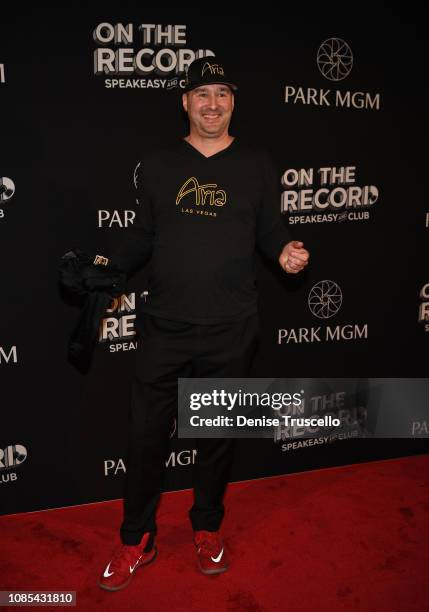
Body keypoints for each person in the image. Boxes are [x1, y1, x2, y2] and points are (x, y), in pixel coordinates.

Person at [98, 55, 310, 591]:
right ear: (185, 102)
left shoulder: (257, 161)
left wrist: (284, 248)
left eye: (221, 94)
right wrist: (110, 265)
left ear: (232, 101)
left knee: (216, 435)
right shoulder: (160, 162)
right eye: (201, 94)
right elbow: (144, 233)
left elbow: (270, 228)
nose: (211, 104)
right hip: (164, 324)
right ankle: (135, 538)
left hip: (231, 325)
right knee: (146, 435)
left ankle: (208, 527)